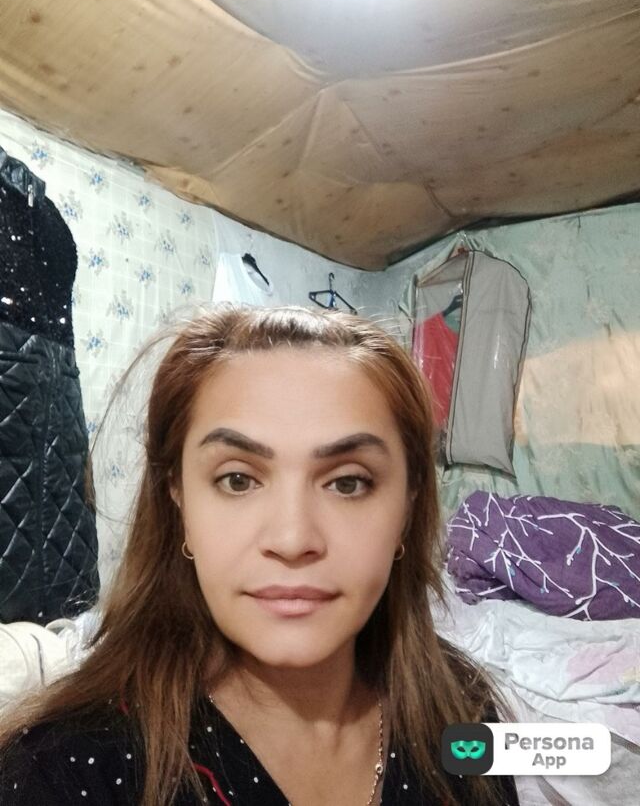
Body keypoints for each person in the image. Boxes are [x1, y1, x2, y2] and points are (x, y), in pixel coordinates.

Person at [0, 305, 519, 806]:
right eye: (238, 480)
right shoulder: (59, 772)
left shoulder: (461, 708)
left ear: (407, 506)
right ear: (178, 499)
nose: (292, 540)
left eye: (348, 483)